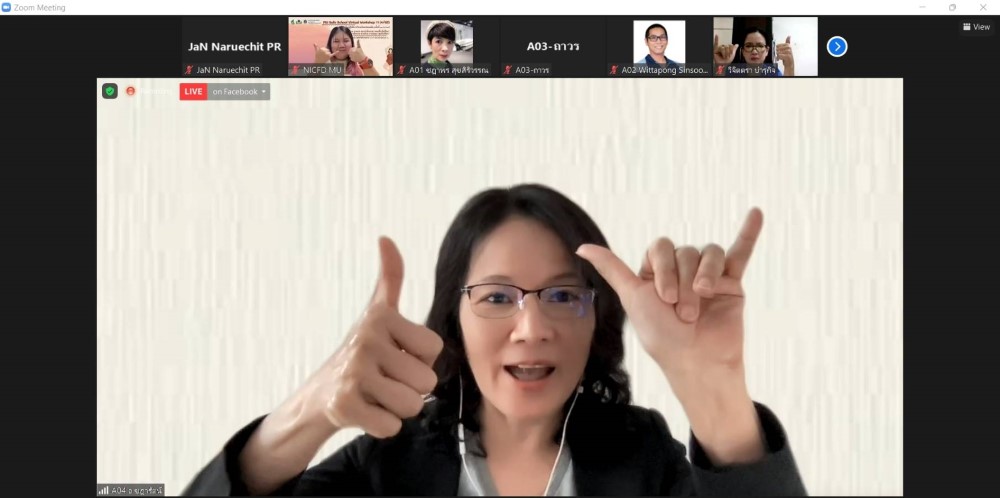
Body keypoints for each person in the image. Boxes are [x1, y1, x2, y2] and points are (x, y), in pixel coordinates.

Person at [181, 184, 808, 496]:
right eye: (498, 297)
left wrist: (715, 392)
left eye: (563, 296)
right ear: (453, 319)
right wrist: (306, 413)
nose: (531, 329)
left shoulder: (645, 461)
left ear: (597, 319)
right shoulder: (385, 468)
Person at [713, 26, 795, 76]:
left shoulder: (774, 73)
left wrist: (789, 66)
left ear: (767, 51)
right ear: (743, 51)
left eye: (760, 46)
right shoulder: (733, 72)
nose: (754, 52)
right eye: (748, 46)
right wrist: (720, 66)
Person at [313, 26, 380, 76]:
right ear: (330, 45)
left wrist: (364, 60)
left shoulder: (360, 67)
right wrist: (318, 63)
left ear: (352, 44)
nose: (341, 45)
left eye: (346, 40)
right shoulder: (322, 65)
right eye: (336, 41)